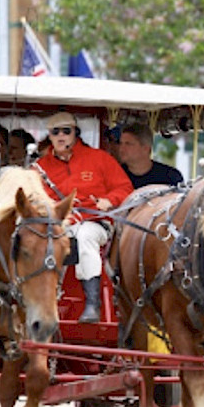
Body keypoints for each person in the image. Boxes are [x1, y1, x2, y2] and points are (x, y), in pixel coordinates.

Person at [35, 111, 133, 322]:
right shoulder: (40, 168)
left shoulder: (100, 159)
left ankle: (92, 305)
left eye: (66, 131)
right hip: (59, 226)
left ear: (75, 134)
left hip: (96, 223)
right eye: (55, 132)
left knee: (85, 235)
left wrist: (110, 200)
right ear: (49, 136)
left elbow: (125, 188)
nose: (61, 136)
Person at [116, 123, 184, 189]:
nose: (121, 149)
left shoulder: (171, 177)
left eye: (128, 144)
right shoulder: (115, 175)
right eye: (121, 143)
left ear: (145, 148)